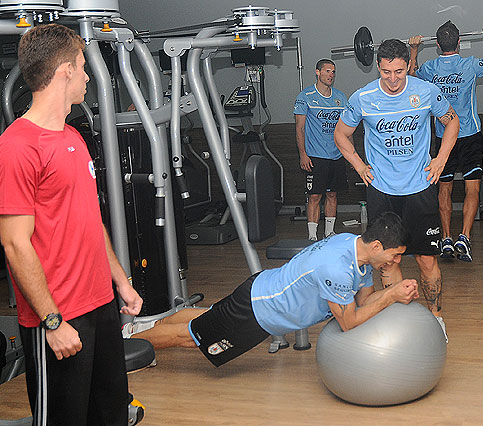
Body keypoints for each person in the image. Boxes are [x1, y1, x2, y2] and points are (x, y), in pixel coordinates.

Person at [0, 24, 142, 425]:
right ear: (64, 72)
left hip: (101, 306)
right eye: (83, 66)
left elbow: (91, 219)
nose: (88, 76)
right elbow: (15, 245)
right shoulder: (15, 149)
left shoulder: (73, 137)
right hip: (58, 317)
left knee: (111, 413)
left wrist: (121, 281)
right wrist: (52, 322)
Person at [128, 212, 419, 367]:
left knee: (207, 318)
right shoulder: (337, 269)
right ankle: (126, 350)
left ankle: (143, 331)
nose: (395, 262)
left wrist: (393, 288)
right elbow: (350, 321)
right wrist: (392, 295)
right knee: (191, 337)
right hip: (258, 310)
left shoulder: (356, 250)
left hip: (261, 293)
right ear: (378, 246)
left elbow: (364, 302)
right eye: (395, 256)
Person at [334, 39, 460, 343]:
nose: (393, 79)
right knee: (388, 260)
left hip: (419, 189)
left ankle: (436, 318)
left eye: (400, 72)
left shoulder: (426, 91)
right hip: (382, 192)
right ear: (378, 66)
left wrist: (441, 159)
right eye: (387, 72)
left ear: (408, 66)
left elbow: (453, 121)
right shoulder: (363, 97)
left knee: (427, 260)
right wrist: (359, 165)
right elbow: (341, 134)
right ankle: (402, 320)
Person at [408, 21, 483, 261]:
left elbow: (410, 77)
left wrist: (413, 49)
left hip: (444, 138)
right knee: (472, 186)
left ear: (437, 45)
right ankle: (464, 236)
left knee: (444, 188)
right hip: (470, 136)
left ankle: (446, 238)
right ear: (460, 43)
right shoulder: (471, 64)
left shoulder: (430, 68)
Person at [294, 59, 350, 241]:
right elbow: (299, 128)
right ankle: (312, 236)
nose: (331, 75)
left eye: (333, 72)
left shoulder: (341, 97)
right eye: (327, 71)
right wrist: (303, 154)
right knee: (315, 196)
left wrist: (351, 155)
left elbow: (347, 129)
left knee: (332, 194)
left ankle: (329, 232)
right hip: (315, 156)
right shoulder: (306, 96)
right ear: (317, 72)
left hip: (336, 155)